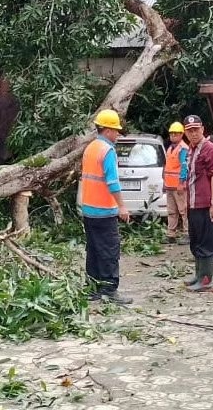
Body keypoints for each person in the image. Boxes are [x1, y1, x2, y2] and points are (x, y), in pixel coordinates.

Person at [80, 109, 132, 304]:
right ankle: (109, 290)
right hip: (104, 211)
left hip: (89, 210)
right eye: (116, 130)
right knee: (110, 251)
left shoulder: (90, 148)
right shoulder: (107, 151)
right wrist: (122, 207)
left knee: (93, 250)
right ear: (108, 130)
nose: (118, 134)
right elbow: (112, 182)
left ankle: (93, 289)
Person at [181, 115, 213, 292]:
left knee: (206, 242)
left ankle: (206, 280)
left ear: (203, 129)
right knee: (196, 241)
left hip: (205, 203)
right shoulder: (191, 148)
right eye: (190, 131)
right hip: (193, 203)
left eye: (196, 130)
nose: (193, 133)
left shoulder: (209, 148)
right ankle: (198, 274)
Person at [163, 122, 189, 244]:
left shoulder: (183, 149)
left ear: (181, 135)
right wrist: (164, 182)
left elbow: (184, 167)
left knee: (184, 210)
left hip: (179, 186)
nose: (173, 136)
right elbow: (167, 166)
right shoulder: (170, 148)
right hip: (169, 185)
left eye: (175, 134)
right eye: (171, 134)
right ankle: (171, 234)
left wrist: (181, 183)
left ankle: (187, 233)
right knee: (171, 211)